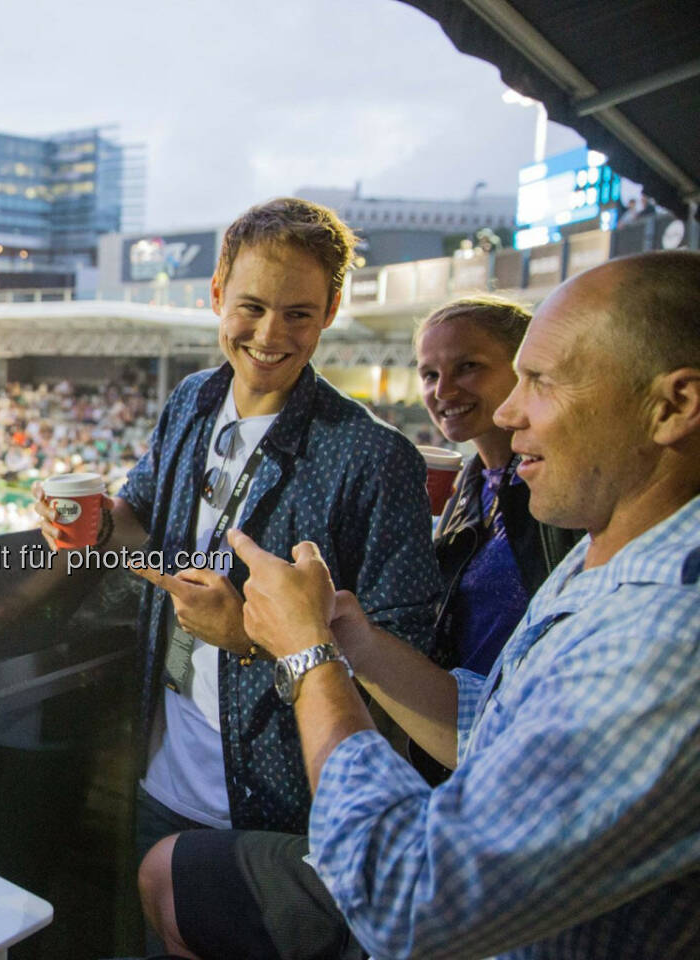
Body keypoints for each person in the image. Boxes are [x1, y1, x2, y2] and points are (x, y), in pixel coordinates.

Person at [170, 250, 700, 960]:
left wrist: (307, 656)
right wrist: (350, 638)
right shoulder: (610, 546)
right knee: (170, 873)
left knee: (172, 874)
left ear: (673, 407)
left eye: (538, 381)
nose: (510, 410)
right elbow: (493, 726)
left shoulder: (665, 640)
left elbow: (402, 901)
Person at [35, 197, 441, 953]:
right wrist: (91, 523)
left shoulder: (375, 459)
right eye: (252, 306)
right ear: (216, 292)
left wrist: (250, 639)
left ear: (331, 312)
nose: (270, 335)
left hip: (279, 805)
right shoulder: (191, 399)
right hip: (163, 771)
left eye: (298, 313)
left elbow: (400, 667)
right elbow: (140, 518)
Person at [417, 296, 584, 677]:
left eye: (468, 367)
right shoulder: (468, 488)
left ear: (525, 369)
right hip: (458, 721)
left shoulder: (564, 489)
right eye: (429, 374)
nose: (443, 391)